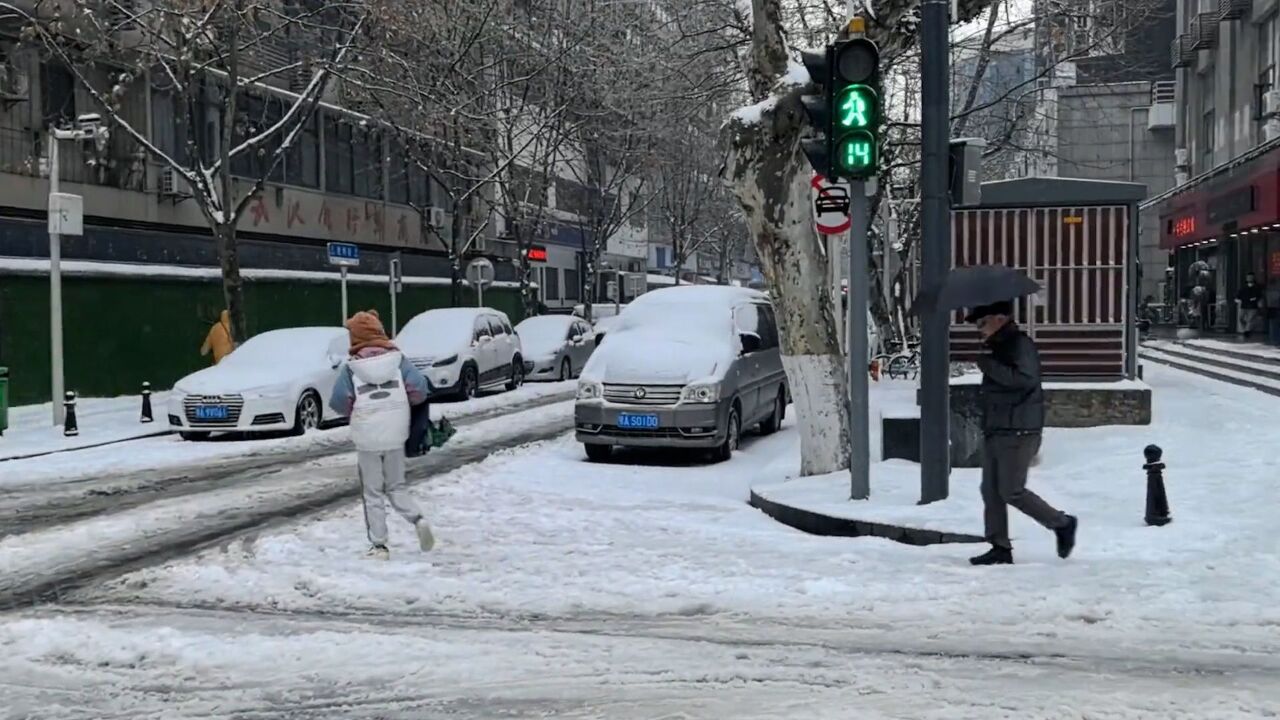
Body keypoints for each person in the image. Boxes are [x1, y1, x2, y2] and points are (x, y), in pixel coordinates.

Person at [965, 301, 1077, 566]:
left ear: (999, 319)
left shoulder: (1019, 345)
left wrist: (988, 365)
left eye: (982, 323)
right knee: (990, 491)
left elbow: (1025, 380)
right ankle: (999, 546)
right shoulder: (1000, 347)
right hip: (999, 428)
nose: (979, 330)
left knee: (1011, 490)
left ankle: (1061, 523)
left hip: (1018, 429)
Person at [329, 309, 435, 560]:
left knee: (373, 492)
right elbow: (419, 389)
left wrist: (356, 409)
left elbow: (338, 402)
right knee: (396, 486)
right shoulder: (399, 362)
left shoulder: (351, 369)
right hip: (396, 433)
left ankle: (379, 546)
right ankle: (417, 520)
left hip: (367, 437)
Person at [1235, 273, 1264, 339]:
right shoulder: (1243, 288)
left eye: (1251, 277)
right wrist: (1237, 299)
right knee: (1241, 319)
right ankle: (1247, 329)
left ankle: (1247, 331)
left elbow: (1259, 297)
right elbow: (1238, 296)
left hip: (1253, 306)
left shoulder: (1256, 288)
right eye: (1248, 277)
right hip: (1244, 306)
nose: (1249, 279)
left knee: (1250, 320)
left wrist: (1256, 300)